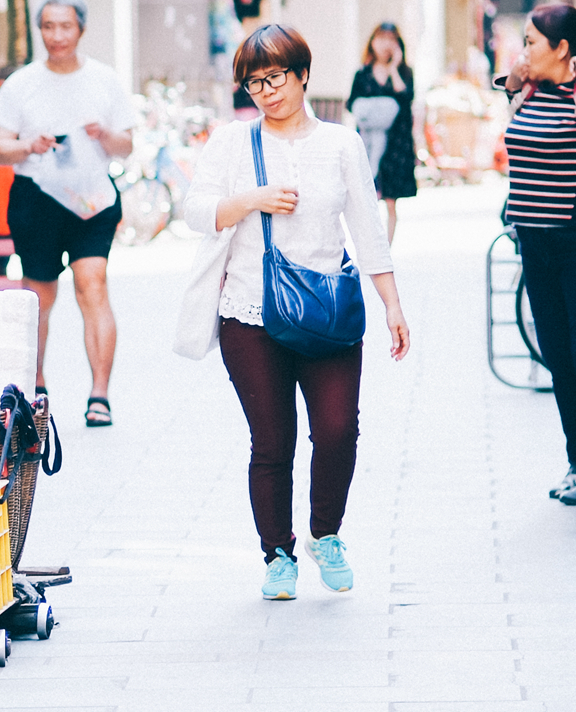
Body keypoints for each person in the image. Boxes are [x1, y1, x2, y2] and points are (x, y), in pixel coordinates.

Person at [176, 24, 410, 600]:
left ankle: (324, 533)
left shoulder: (340, 143)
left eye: (276, 77)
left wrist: (392, 304)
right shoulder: (233, 144)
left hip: (326, 307)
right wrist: (250, 199)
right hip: (250, 313)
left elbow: (365, 226)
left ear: (303, 74)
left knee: (336, 432)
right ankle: (277, 554)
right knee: (272, 441)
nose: (267, 91)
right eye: (254, 83)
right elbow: (194, 211)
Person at [0, 0, 132, 427]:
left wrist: (104, 134)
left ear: (80, 29)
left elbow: (126, 145)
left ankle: (99, 393)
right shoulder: (21, 83)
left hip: (92, 201)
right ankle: (37, 384)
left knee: (93, 285)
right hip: (37, 200)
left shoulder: (104, 79)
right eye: (48, 26)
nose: (56, 35)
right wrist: (28, 145)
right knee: (40, 295)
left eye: (65, 26)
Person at [497, 4, 576, 504]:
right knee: (557, 357)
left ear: (562, 49)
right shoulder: (529, 91)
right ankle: (575, 462)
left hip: (571, 239)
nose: (523, 51)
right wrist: (514, 81)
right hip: (533, 240)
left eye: (531, 42)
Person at [346, 22, 416, 244]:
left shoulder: (404, 72)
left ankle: (386, 248)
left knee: (391, 201)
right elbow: (351, 103)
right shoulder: (362, 73)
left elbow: (406, 100)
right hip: (368, 143)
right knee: (367, 197)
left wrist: (394, 69)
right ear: (372, 42)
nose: (386, 44)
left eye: (391, 39)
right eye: (381, 38)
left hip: (396, 145)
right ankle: (370, 244)